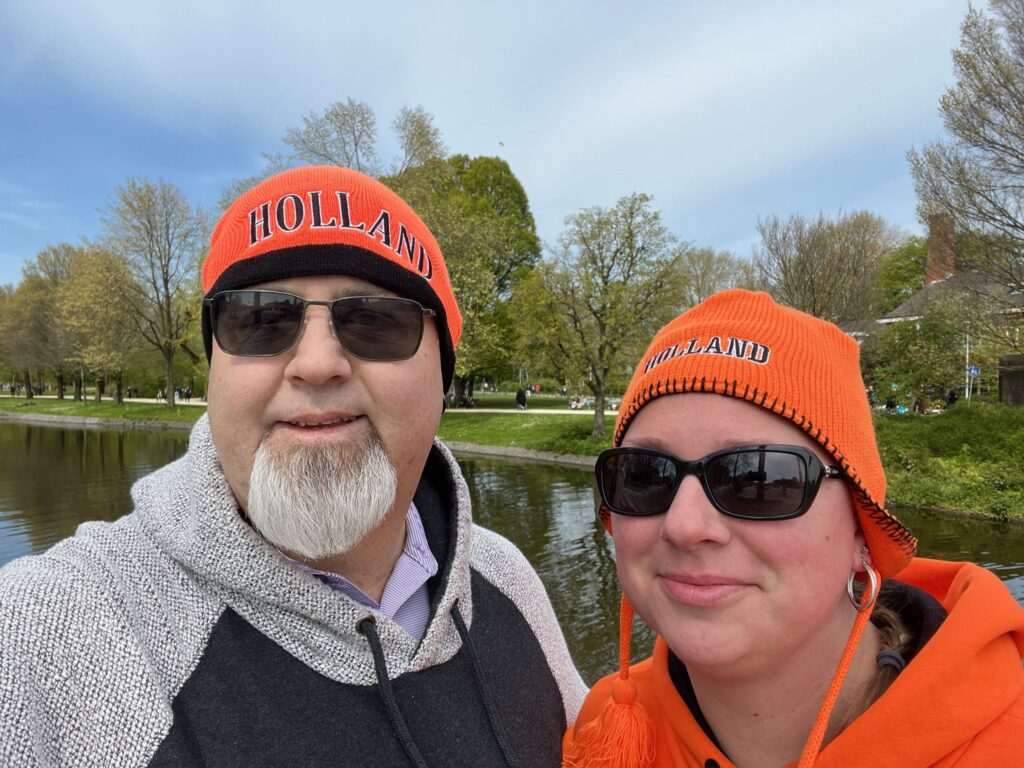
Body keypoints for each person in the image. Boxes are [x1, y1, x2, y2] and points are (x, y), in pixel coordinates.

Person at [0, 166, 585, 767]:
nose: (316, 362)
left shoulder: (507, 579)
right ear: (213, 375)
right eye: (259, 320)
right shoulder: (40, 637)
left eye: (376, 320)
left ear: (443, 377)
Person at [564, 290, 1024, 767]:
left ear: (861, 530)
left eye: (755, 478)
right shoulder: (606, 730)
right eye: (644, 475)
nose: (683, 525)